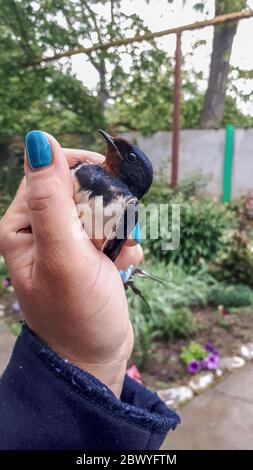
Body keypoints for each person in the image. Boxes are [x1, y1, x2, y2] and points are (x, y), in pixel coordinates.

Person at [0, 131, 180, 450]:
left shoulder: (127, 206)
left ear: (131, 172)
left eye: (127, 157)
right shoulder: (84, 171)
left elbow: (108, 253)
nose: (112, 148)